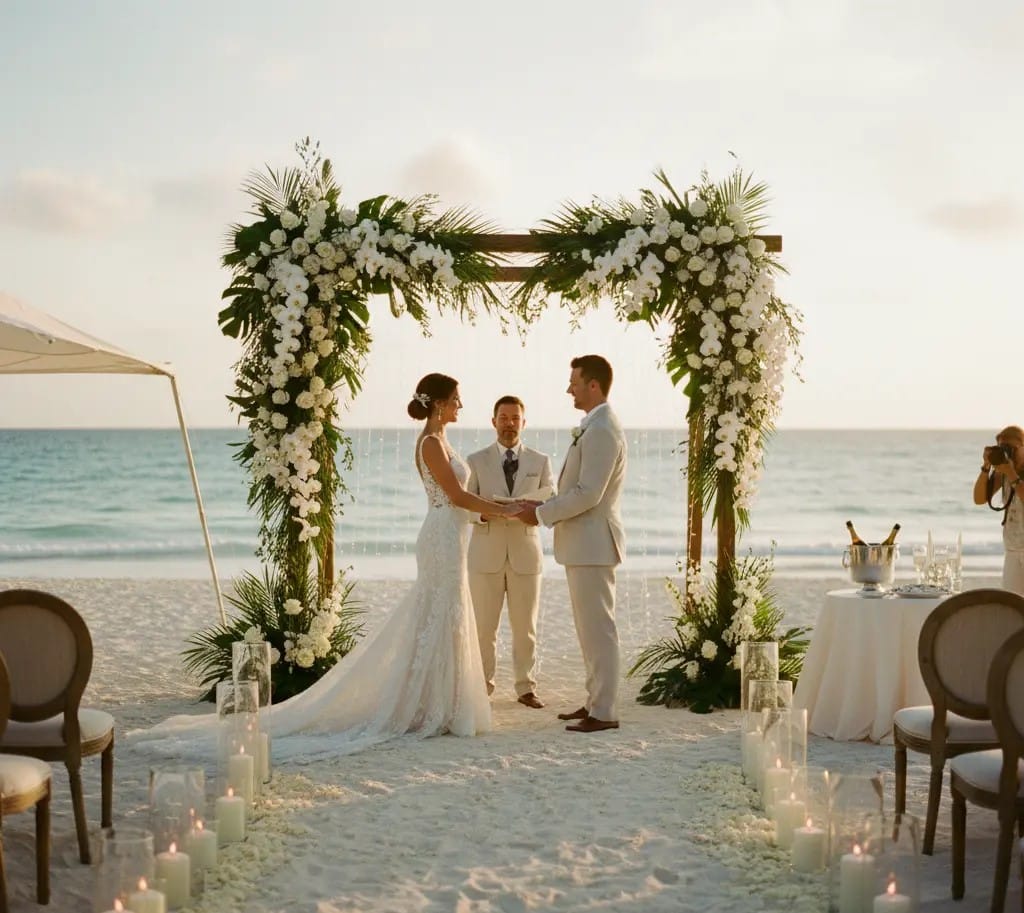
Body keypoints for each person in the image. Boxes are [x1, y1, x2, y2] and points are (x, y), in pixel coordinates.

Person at [134, 373, 521, 760]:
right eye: (455, 399)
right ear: (438, 403)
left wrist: (492, 512)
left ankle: (443, 702)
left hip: (452, 534)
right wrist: (505, 509)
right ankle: (428, 706)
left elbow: (460, 501)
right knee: (439, 612)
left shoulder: (442, 440)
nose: (460, 405)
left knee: (447, 613)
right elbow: (455, 496)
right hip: (441, 538)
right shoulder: (431, 443)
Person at [518, 355, 627, 733]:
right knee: (588, 629)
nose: (569, 389)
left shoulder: (601, 430)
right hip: (584, 544)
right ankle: (595, 701)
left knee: (599, 630)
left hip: (593, 544)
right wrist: (541, 505)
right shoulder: (595, 426)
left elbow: (589, 493)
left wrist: (541, 514)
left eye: (574, 383)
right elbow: (577, 490)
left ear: (593, 385)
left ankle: (605, 712)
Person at [466, 396, 554, 708]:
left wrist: (535, 511)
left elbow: (552, 501)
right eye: (503, 418)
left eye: (515, 418)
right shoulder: (475, 460)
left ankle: (525, 687)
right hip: (485, 555)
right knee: (483, 628)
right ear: (494, 422)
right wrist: (485, 513)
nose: (509, 424)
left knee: (525, 628)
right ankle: (482, 687)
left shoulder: (540, 461)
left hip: (526, 555)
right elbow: (463, 505)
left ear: (523, 423)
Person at [973, 425, 1024, 593]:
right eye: (1003, 448)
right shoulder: (1004, 472)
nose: (1008, 453)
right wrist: (986, 467)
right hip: (1012, 549)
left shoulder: (1009, 472)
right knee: (1012, 603)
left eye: (1011, 449)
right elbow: (979, 499)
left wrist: (1011, 474)